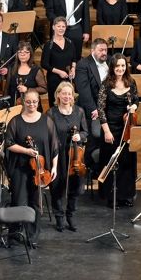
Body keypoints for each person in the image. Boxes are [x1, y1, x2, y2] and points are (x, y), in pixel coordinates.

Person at [6, 89, 59, 240]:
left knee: (36, 202)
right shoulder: (16, 121)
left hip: (39, 170)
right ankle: (15, 233)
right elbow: (9, 143)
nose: (31, 104)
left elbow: (54, 145)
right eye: (28, 102)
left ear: (38, 102)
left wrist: (54, 167)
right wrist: (26, 151)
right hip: (20, 168)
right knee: (19, 201)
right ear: (23, 102)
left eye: (34, 102)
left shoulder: (46, 120)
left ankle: (32, 235)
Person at [97, 54, 139, 207]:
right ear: (112, 68)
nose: (120, 69)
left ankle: (125, 195)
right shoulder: (106, 84)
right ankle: (111, 195)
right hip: (111, 127)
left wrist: (134, 106)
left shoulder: (131, 82)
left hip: (127, 128)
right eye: (117, 66)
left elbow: (136, 100)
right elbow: (101, 110)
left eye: (123, 66)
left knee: (127, 162)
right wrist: (107, 131)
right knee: (111, 161)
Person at [48, 82, 89, 232]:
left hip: (75, 156)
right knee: (57, 187)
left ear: (73, 96)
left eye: (69, 94)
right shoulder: (51, 113)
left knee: (75, 187)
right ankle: (59, 217)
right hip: (58, 156)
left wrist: (80, 136)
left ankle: (70, 216)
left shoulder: (79, 112)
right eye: (63, 93)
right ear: (58, 95)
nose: (66, 96)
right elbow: (49, 135)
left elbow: (86, 132)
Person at [74, 38, 109, 148]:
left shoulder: (110, 61)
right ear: (92, 50)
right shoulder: (83, 64)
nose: (104, 53)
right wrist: (94, 109)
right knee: (93, 141)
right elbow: (83, 90)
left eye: (105, 50)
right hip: (91, 109)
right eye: (100, 50)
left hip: (108, 108)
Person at [42, 17, 80, 107]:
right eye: (59, 26)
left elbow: (74, 59)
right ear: (53, 27)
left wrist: (73, 69)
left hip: (67, 78)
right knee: (55, 103)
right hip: (54, 79)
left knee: (68, 103)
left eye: (63, 26)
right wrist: (59, 72)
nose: (61, 28)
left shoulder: (70, 43)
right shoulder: (49, 45)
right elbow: (44, 64)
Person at [6, 42, 48, 106]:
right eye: (20, 52)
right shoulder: (12, 67)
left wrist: (27, 89)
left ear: (30, 54)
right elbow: (7, 88)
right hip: (14, 105)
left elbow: (44, 89)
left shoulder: (36, 70)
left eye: (26, 52)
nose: (22, 54)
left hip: (32, 105)